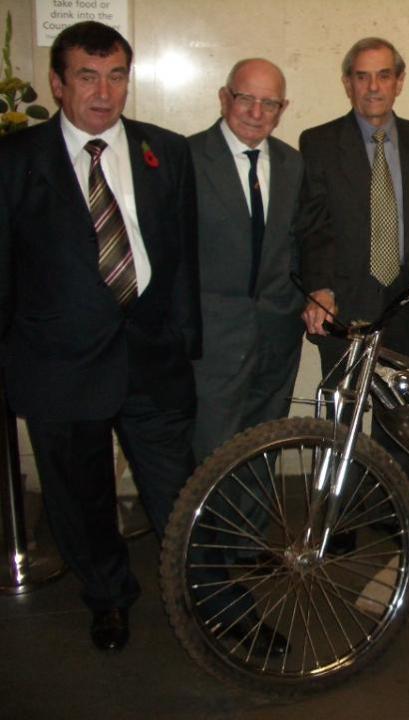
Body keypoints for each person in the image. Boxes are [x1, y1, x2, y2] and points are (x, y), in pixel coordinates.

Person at [0, 22, 200, 652]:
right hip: (60, 366)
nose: (103, 92)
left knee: (183, 494)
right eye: (87, 76)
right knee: (81, 501)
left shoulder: (164, 151)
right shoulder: (15, 160)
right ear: (57, 83)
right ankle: (108, 598)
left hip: (150, 360)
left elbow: (182, 258)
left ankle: (213, 601)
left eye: (116, 75)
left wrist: (183, 342)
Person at [297, 36, 409, 360]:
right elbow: (314, 227)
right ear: (347, 83)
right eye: (362, 76)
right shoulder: (319, 144)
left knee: (401, 412)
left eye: (383, 75)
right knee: (342, 411)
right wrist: (321, 288)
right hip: (342, 310)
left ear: (399, 82)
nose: (373, 87)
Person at [189, 58, 304, 465]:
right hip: (211, 341)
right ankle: (206, 532)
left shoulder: (293, 165)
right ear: (224, 98)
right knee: (212, 457)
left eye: (269, 103)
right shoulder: (186, 159)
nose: (257, 114)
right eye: (246, 99)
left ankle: (250, 532)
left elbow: (299, 244)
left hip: (277, 336)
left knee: (263, 450)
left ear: (282, 109)